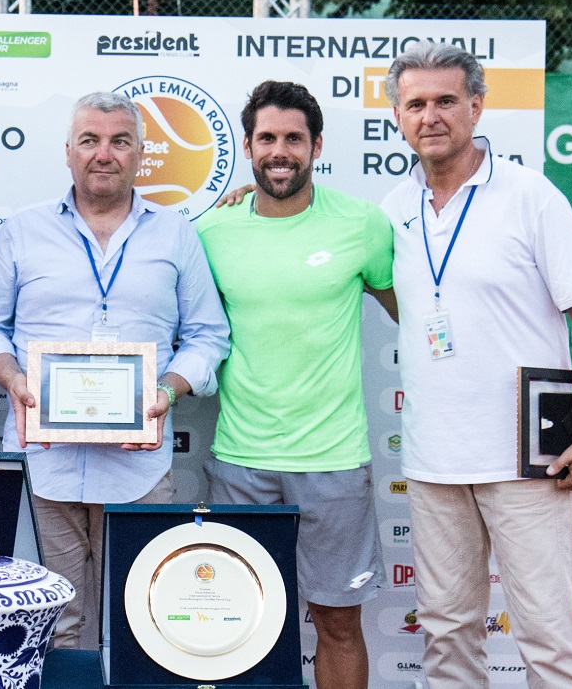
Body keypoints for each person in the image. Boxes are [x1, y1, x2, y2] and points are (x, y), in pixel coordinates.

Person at [380, 42, 572, 688]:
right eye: (416, 103)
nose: (431, 115)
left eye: (446, 101)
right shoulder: (391, 211)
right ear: (398, 117)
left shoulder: (530, 197)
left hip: (528, 463)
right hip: (432, 465)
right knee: (446, 637)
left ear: (477, 106)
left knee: (548, 638)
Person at [0, 92, 230, 647]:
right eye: (89, 140)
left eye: (119, 141)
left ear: (141, 154)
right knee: (47, 627)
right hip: (46, 468)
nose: (103, 154)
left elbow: (209, 336)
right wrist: (12, 376)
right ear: (68, 152)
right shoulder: (21, 231)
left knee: (139, 624)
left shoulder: (176, 234)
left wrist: (167, 389)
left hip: (138, 474)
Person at [196, 81, 396, 689]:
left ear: (316, 146)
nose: (279, 151)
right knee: (242, 624)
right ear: (248, 145)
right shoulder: (212, 231)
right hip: (239, 462)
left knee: (337, 627)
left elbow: (413, 319)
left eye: (292, 139)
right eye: (266, 138)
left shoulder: (363, 225)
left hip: (333, 464)